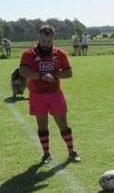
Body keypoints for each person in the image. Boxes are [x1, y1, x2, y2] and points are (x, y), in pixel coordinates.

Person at [19, 25, 81, 164]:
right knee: (42, 126)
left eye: (49, 41)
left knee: (63, 124)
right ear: (38, 38)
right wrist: (41, 76)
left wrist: (54, 74)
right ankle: (46, 154)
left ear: (53, 39)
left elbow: (69, 72)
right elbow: (23, 71)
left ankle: (72, 152)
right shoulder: (29, 54)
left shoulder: (59, 54)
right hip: (37, 94)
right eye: (43, 41)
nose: (46, 44)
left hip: (55, 94)